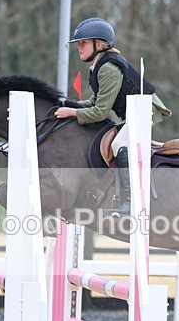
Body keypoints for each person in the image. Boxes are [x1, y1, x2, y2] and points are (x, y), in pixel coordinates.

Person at [54, 17, 172, 216]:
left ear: (99, 44)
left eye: (83, 43)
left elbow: (100, 112)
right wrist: (67, 104)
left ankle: (131, 201)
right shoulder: (99, 65)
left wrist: (72, 112)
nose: (79, 48)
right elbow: (94, 102)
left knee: (119, 145)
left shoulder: (108, 68)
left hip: (145, 109)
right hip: (134, 110)